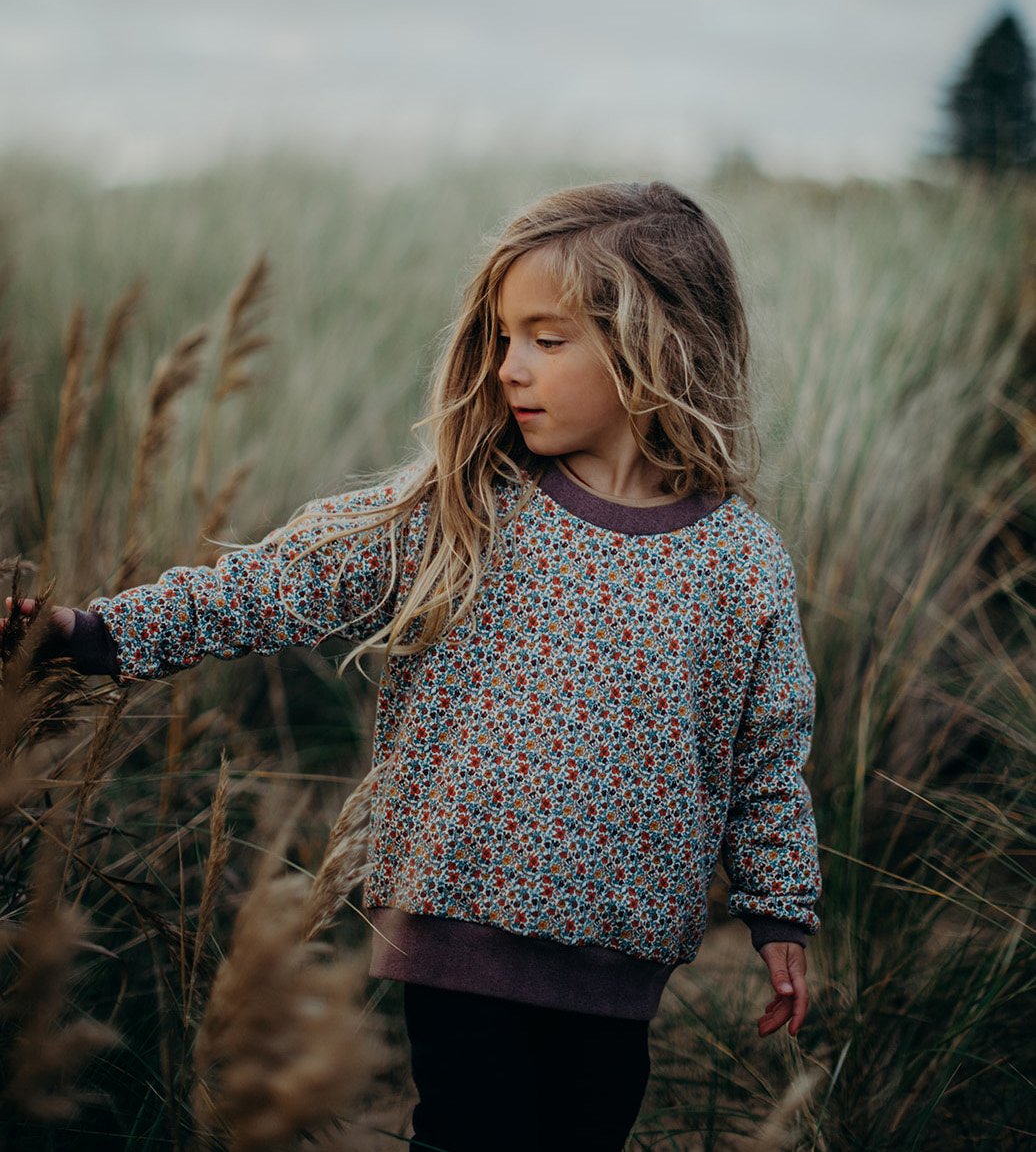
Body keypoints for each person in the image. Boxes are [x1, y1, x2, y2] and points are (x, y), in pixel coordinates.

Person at [15, 181, 821, 1152]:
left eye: (546, 339)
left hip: (622, 952)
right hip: (455, 922)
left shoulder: (738, 562)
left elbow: (764, 756)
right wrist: (86, 633)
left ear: (660, 346)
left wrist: (779, 911)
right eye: (501, 337)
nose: (509, 368)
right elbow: (275, 587)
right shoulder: (464, 507)